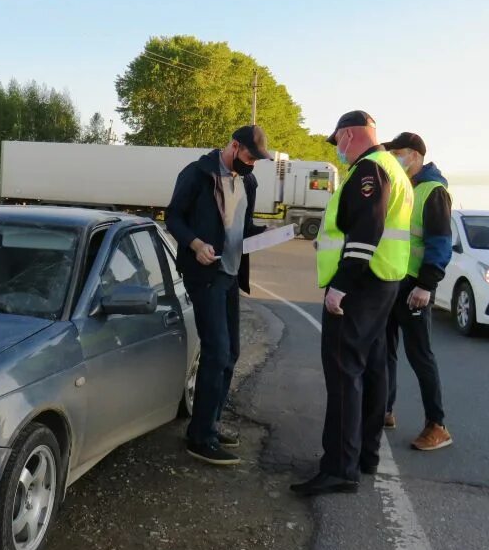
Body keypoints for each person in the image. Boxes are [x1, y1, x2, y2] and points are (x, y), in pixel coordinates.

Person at [291, 111, 413, 496]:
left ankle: (340, 467)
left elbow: (366, 230)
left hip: (360, 286)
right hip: (383, 283)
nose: (338, 149)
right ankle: (364, 455)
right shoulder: (391, 166)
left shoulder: (368, 170)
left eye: (337, 141)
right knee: (372, 370)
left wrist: (340, 285)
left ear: (348, 135)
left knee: (344, 374)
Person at [166, 126, 271, 465]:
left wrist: (270, 235)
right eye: (249, 156)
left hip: (230, 275)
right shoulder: (198, 174)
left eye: (257, 159)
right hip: (205, 275)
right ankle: (200, 437)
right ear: (234, 146)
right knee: (217, 351)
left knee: (232, 353)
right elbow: (174, 217)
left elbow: (245, 225)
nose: (252, 164)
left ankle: (209, 422)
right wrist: (195, 245)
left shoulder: (248, 181)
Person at [382, 132, 453, 451]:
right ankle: (384, 409)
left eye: (397, 152)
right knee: (384, 350)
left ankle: (437, 425)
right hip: (392, 280)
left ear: (413, 154)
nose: (394, 157)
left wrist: (426, 284)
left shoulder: (433, 191)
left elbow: (440, 243)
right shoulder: (403, 187)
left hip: (415, 285)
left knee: (419, 354)